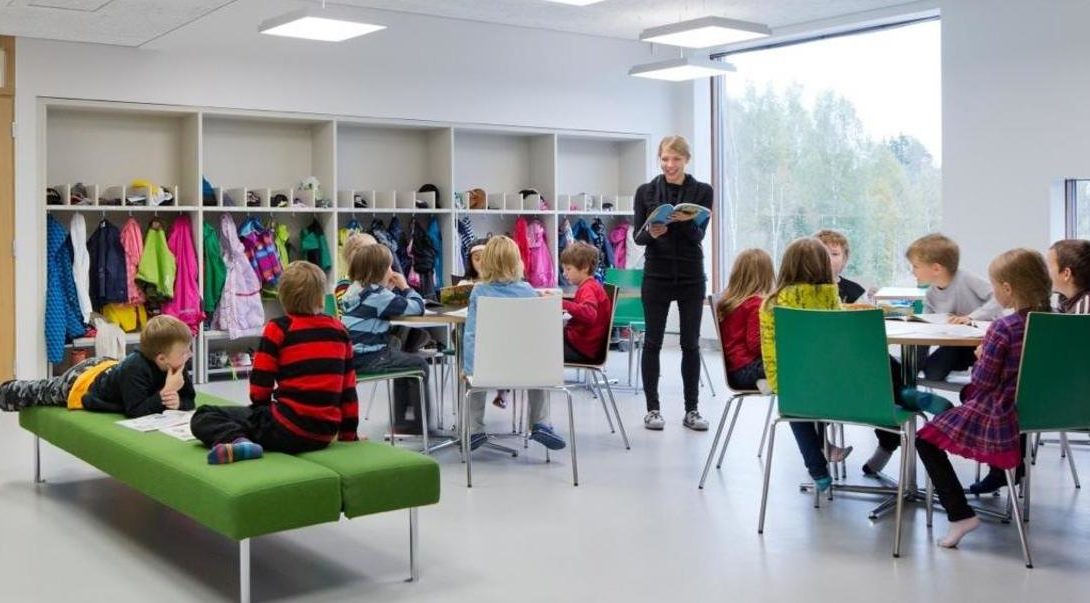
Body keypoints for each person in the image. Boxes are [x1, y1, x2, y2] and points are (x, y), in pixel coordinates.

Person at [916, 248, 1052, 548]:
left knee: (924, 439)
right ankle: (1005, 473)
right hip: (1046, 410)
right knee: (964, 401)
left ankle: (960, 515)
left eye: (994, 285)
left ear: (1007, 288)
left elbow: (984, 382)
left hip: (1002, 411)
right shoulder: (1058, 322)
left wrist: (981, 357)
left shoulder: (1004, 328)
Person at [191, 261, 359, 464]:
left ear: (283, 297)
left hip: (286, 429)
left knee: (203, 415)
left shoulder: (278, 329)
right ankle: (246, 436)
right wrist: (349, 436)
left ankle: (239, 441)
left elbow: (260, 388)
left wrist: (259, 413)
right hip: (324, 433)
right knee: (255, 418)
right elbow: (349, 390)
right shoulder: (340, 331)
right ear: (321, 298)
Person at [633, 135, 714, 432]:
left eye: (676, 159)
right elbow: (638, 237)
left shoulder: (703, 191)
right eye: (665, 159)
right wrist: (651, 233)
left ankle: (692, 410)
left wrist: (684, 220)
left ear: (686, 160)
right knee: (652, 342)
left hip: (691, 276)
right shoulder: (645, 191)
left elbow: (698, 236)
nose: (670, 165)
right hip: (657, 275)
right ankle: (652, 410)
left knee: (690, 344)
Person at [759, 238, 853, 491]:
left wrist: (778, 383)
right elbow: (841, 339)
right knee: (814, 401)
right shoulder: (830, 295)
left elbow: (769, 348)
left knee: (794, 410)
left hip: (795, 382)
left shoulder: (772, 302)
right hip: (834, 382)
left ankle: (818, 471)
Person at [463, 236, 566, 451]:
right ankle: (541, 423)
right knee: (538, 372)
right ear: (517, 262)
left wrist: (469, 370)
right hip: (524, 368)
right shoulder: (528, 291)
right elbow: (536, 335)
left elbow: (472, 334)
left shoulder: (479, 291)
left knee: (471, 378)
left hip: (489, 367)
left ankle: (474, 430)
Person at [0, 314, 194, 417]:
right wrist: (166, 393)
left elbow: (189, 400)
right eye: (184, 352)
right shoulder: (136, 368)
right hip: (85, 380)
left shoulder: (179, 365)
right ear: (162, 359)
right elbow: (135, 411)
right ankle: (6, 391)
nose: (189, 354)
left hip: (110, 367)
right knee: (44, 391)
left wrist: (178, 403)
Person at [340, 244, 432, 434]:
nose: (392, 271)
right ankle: (419, 425)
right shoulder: (377, 296)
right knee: (420, 365)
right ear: (379, 271)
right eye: (389, 267)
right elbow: (417, 307)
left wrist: (387, 289)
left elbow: (384, 304)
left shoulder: (355, 290)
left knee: (400, 353)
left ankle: (401, 421)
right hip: (369, 357)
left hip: (352, 356)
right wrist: (405, 287)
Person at [907, 233, 1003, 380]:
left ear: (936, 269)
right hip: (953, 341)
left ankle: (912, 374)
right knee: (914, 359)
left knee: (933, 372)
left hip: (977, 343)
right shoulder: (931, 292)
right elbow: (927, 320)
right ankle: (908, 376)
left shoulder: (966, 278)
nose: (912, 271)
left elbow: (998, 297)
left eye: (916, 266)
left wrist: (971, 317)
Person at [716, 249, 774, 390]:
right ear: (766, 276)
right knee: (792, 364)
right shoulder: (756, 305)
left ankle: (766, 383)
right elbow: (755, 345)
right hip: (748, 369)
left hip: (735, 370)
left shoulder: (732, 302)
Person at [560, 242, 613, 364]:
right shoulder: (591, 286)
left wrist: (561, 303)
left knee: (541, 346)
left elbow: (589, 314)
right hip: (583, 346)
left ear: (585, 267)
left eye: (568, 269)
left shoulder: (588, 288)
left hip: (580, 349)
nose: (564, 273)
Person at [814, 229, 866, 303]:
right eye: (821, 253)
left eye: (834, 254)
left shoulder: (855, 291)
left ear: (844, 258)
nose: (828, 258)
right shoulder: (801, 288)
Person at [1048, 239, 1090, 313]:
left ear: (1066, 274)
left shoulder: (1082, 312)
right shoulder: (1065, 300)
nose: (1046, 272)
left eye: (1048, 267)